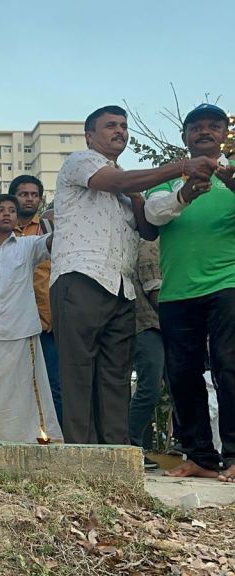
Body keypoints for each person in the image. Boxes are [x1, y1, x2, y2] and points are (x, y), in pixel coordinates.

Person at [51, 105, 212, 445]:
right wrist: (182, 166)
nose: (120, 131)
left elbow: (148, 231)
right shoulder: (81, 161)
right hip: (81, 277)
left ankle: (114, 453)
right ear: (89, 135)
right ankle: (81, 455)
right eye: (110, 125)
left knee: (117, 376)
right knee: (79, 372)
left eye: (124, 126)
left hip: (122, 288)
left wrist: (179, 194)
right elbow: (117, 181)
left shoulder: (128, 181)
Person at [144, 103, 234, 480]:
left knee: (230, 367)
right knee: (182, 374)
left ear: (224, 135)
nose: (205, 132)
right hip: (177, 291)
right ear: (184, 137)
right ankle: (200, 456)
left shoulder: (232, 173)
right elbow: (152, 215)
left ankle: (234, 455)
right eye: (196, 127)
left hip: (228, 285)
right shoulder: (168, 177)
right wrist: (184, 194)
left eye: (213, 126)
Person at [0, 194, 62, 441]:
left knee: (25, 392)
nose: (6, 214)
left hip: (20, 332)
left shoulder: (28, 245)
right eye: (0, 209)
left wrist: (62, 219)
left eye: (11, 210)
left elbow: (53, 242)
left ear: (17, 218)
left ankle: (33, 440)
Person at [9, 174, 62, 426]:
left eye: (34, 195)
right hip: (12, 323)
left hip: (48, 322)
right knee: (15, 385)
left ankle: (59, 441)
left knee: (54, 385)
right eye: (23, 194)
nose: (29, 199)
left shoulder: (50, 229)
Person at [130, 239, 164, 470]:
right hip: (147, 324)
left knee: (178, 387)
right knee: (149, 389)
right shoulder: (149, 244)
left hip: (162, 326)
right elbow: (154, 289)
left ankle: (187, 446)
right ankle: (131, 445)